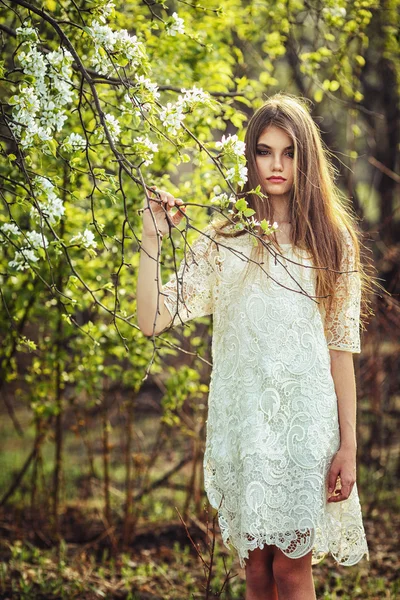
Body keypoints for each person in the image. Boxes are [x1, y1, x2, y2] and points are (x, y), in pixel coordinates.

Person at [136, 92, 369, 600]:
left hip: (305, 427)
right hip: (243, 424)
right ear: (250, 157)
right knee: (257, 570)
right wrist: (152, 240)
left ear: (306, 157)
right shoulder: (227, 237)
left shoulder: (332, 240)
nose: (277, 165)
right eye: (265, 151)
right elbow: (153, 318)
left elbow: (340, 348)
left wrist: (348, 446)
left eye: (289, 152)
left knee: (290, 569)